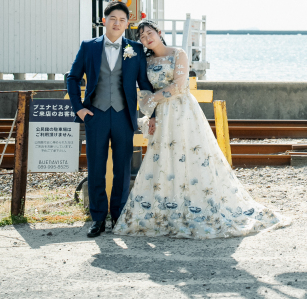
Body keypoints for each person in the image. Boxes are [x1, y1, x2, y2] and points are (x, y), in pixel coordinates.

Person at [113, 19, 288, 239]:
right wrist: (152, 112)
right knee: (165, 159)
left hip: (183, 113)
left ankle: (197, 206)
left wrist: (154, 99)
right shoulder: (145, 61)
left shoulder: (179, 54)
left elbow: (178, 85)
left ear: (159, 32)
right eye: (142, 36)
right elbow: (143, 88)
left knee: (192, 156)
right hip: (163, 117)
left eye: (150, 33)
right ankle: (167, 208)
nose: (147, 38)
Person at [67, 1, 155, 238]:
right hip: (95, 115)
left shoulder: (135, 49)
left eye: (122, 20)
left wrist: (152, 113)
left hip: (124, 116)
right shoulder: (89, 47)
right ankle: (97, 219)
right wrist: (79, 109)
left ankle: (118, 216)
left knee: (122, 170)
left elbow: (144, 84)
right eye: (113, 19)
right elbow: (72, 77)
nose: (117, 23)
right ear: (104, 20)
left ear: (127, 24)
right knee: (96, 168)